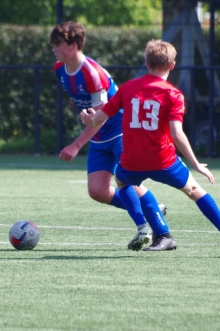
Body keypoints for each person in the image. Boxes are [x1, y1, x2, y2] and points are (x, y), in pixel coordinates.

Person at [81, 39, 220, 253]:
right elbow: (177, 134)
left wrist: (90, 119)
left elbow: (100, 118)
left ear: (147, 63)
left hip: (133, 160)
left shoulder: (128, 88)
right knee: (194, 190)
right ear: (172, 65)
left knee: (122, 181)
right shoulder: (173, 94)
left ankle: (142, 227)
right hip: (163, 160)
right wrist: (196, 164)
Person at [50, 21, 168, 250]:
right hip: (99, 133)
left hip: (121, 129)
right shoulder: (59, 69)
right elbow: (92, 113)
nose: (53, 48)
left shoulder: (92, 74)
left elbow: (102, 116)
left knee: (128, 181)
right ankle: (151, 208)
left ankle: (159, 232)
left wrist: (76, 145)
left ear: (73, 46)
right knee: (98, 191)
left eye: (57, 44)